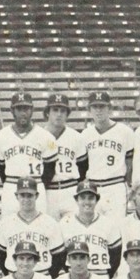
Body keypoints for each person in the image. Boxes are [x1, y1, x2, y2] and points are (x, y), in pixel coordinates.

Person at [0, 92, 58, 217]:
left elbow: (50, 169)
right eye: (19, 109)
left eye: (26, 109)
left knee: (38, 227)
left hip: (36, 186)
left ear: (32, 110)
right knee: (9, 227)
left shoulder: (46, 136)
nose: (23, 113)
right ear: (12, 111)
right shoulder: (1, 136)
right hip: (11, 186)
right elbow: (0, 167)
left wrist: (38, 184)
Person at [0, 176, 66, 278]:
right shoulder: (6, 223)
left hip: (42, 275)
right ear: (16, 196)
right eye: (23, 195)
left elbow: (58, 256)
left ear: (36, 196)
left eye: (29, 195)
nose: (26, 199)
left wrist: (48, 278)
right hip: (14, 277)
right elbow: (1, 255)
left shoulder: (50, 223)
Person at [81, 91, 135, 221]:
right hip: (92, 187)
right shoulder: (85, 134)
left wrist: (129, 186)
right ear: (89, 110)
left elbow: (130, 162)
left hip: (115, 185)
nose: (98, 111)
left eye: (102, 107)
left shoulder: (125, 131)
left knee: (116, 229)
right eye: (95, 107)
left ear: (109, 108)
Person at [58, 180, 122, 278]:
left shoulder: (109, 223)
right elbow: (60, 256)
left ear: (97, 200)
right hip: (75, 278)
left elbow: (116, 257)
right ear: (76, 200)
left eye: (91, 198)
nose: (87, 202)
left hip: (100, 275)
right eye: (82, 198)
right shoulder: (65, 223)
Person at [42, 93, 88, 221]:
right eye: (55, 110)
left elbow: (83, 167)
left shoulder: (76, 137)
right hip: (48, 191)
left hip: (70, 189)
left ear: (67, 114)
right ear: (47, 113)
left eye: (63, 111)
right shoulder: (38, 136)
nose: (59, 114)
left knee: (72, 231)